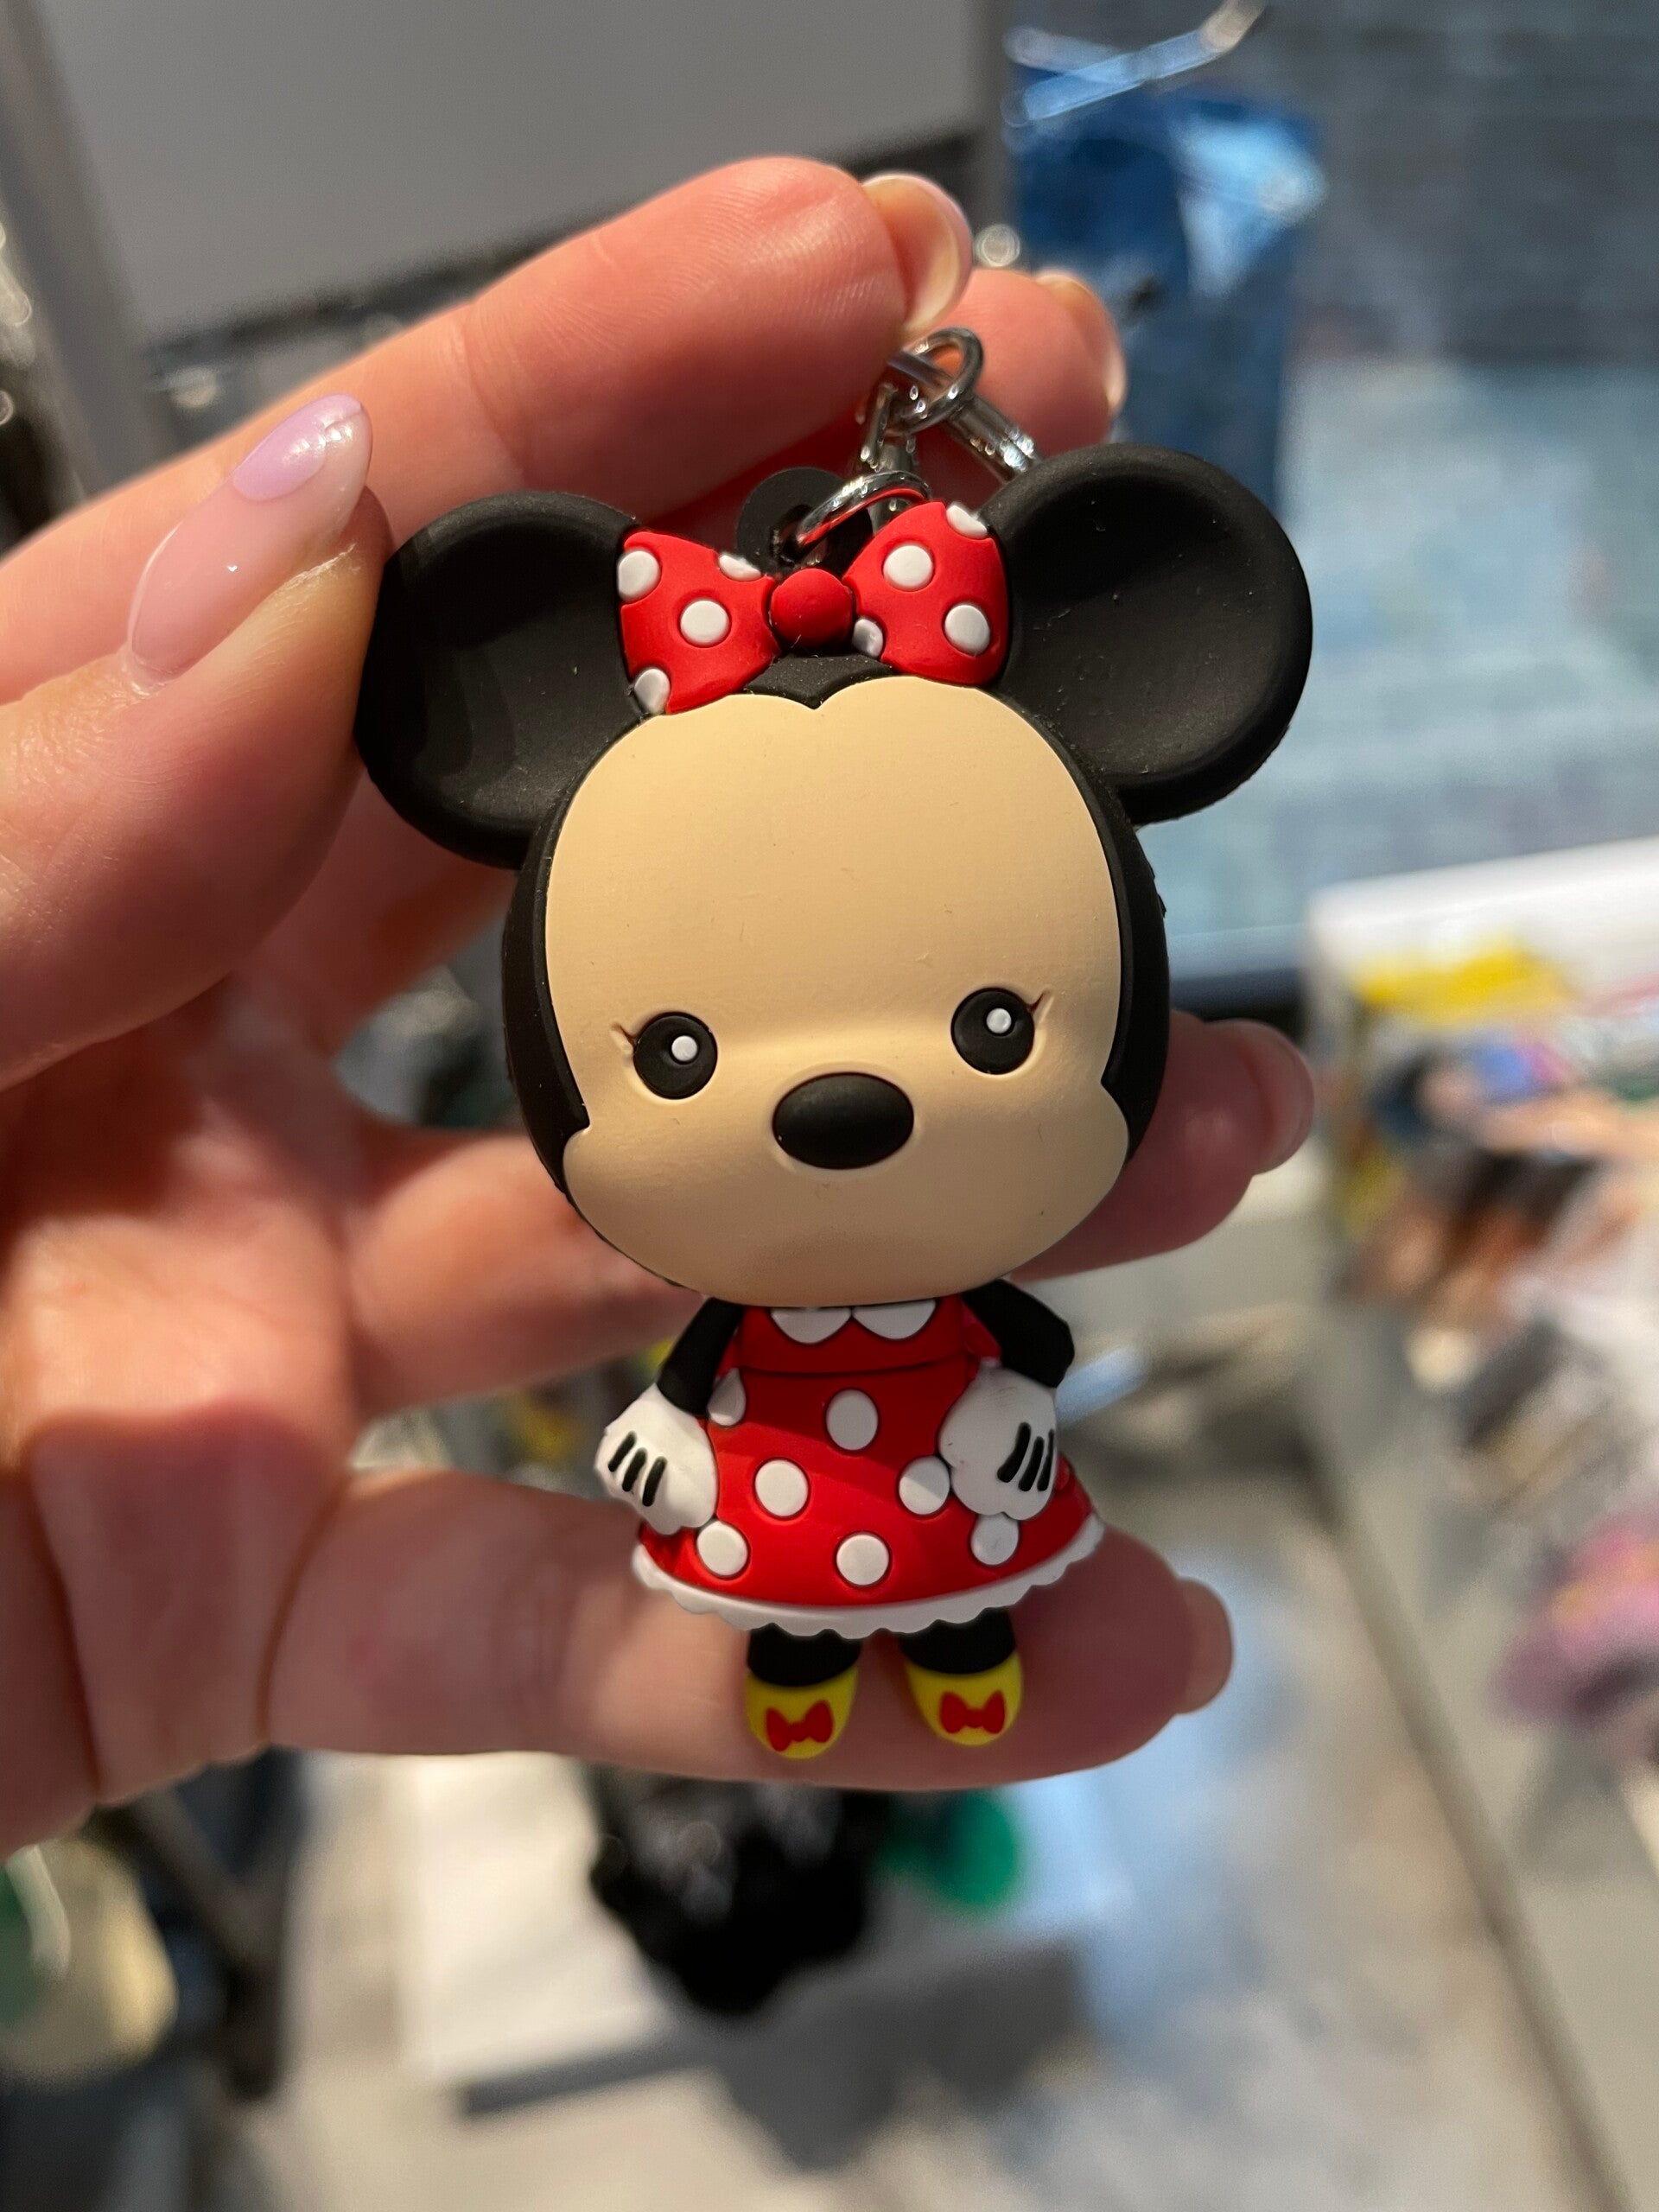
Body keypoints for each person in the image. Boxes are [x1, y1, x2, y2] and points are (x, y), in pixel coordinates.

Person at [0, 161, 1312, 1855]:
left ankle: (962, 1651)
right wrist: (666, 1431)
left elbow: (1024, 1339)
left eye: (996, 1032)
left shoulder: (939, 1267)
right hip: (777, 1484)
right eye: (676, 1057)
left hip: (943, 1473)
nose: (839, 1097)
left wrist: (1007, 1400)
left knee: (968, 1587)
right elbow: (702, 1353)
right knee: (788, 1608)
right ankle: (806, 1665)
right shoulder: (731, 1288)